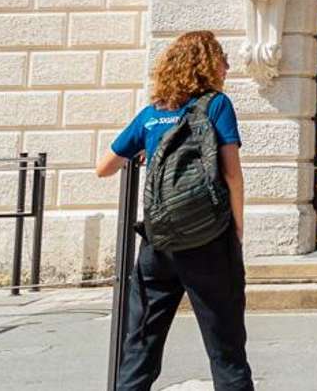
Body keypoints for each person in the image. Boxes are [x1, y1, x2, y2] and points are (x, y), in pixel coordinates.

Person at [95, 30, 252, 391]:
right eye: (221, 59)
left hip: (158, 242)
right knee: (226, 348)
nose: (227, 66)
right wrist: (237, 227)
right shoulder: (216, 105)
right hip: (209, 241)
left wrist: (147, 149)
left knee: (141, 345)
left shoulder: (152, 113)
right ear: (207, 65)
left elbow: (103, 168)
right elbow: (232, 174)